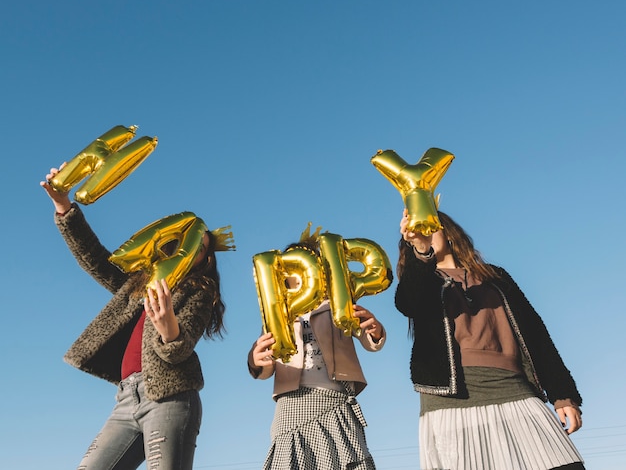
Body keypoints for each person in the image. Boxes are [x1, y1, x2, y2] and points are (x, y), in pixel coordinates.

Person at [41, 165, 231, 470]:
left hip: (170, 396)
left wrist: (169, 329)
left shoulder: (200, 291)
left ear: (205, 261)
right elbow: (95, 258)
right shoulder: (138, 284)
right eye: (188, 243)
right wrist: (63, 206)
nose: (193, 251)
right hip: (127, 397)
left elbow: (180, 347)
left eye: (202, 249)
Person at [395, 208, 585, 470]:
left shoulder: (496, 277)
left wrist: (563, 394)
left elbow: (537, 335)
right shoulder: (423, 283)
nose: (425, 233)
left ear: (448, 232)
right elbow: (408, 302)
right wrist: (422, 252)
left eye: (429, 226)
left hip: (516, 389)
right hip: (453, 401)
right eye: (418, 231)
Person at [248, 236, 386, 470]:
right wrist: (256, 360)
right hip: (291, 407)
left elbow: (369, 339)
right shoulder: (277, 315)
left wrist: (375, 331)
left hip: (336, 402)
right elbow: (266, 362)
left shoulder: (338, 305)